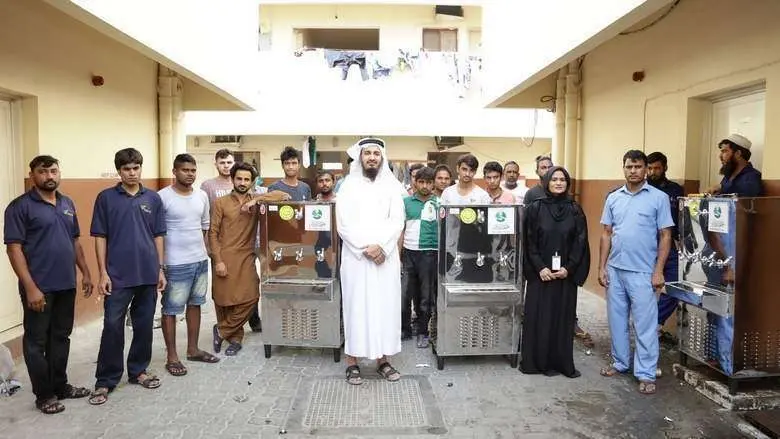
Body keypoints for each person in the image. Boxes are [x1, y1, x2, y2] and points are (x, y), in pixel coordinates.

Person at [4, 155, 94, 414]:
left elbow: (74, 241)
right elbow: (14, 250)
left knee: (61, 337)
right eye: (43, 172)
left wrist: (86, 272)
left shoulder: (66, 203)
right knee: (36, 341)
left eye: (53, 171)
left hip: (66, 284)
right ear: (32, 175)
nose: (49, 176)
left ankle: (60, 385)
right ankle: (44, 395)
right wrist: (30, 287)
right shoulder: (19, 207)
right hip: (39, 287)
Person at [89, 148, 167, 405]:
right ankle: (106, 380)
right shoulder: (106, 198)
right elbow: (100, 237)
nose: (132, 173)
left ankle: (138, 370)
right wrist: (102, 273)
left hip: (147, 274)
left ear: (141, 168)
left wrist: (160, 269)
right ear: (119, 171)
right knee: (112, 327)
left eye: (136, 168)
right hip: (117, 277)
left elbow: (158, 235)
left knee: (144, 326)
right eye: (126, 169)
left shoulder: (153, 199)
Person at [599, 150, 674, 395]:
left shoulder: (659, 198)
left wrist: (658, 270)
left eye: (638, 166)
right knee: (617, 321)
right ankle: (620, 363)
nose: (633, 171)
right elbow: (606, 233)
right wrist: (602, 267)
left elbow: (665, 235)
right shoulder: (613, 198)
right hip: (615, 270)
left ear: (645, 169)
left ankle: (646, 373)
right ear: (623, 168)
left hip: (643, 272)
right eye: (629, 166)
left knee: (645, 324)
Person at [337, 137, 405, 385]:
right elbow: (343, 224)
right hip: (357, 259)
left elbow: (398, 220)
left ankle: (383, 361)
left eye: (377, 153)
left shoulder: (392, 186)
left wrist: (383, 248)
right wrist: (366, 248)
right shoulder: (347, 187)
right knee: (356, 307)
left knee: (385, 308)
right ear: (360, 157)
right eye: (368, 153)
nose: (372, 157)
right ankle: (352, 362)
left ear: (382, 158)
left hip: (385, 259)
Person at [702, 134, 762, 375]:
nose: (721, 155)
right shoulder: (728, 178)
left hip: (732, 250)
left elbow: (743, 215)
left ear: (739, 153)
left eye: (726, 151)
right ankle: (713, 355)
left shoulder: (750, 179)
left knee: (728, 309)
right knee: (713, 305)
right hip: (717, 250)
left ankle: (728, 367)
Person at [520, 166, 590, 378]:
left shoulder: (575, 209)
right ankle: (537, 362)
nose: (559, 183)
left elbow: (580, 242)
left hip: (564, 277)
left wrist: (569, 269)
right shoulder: (535, 208)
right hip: (540, 276)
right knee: (539, 318)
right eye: (554, 179)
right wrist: (540, 267)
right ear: (546, 182)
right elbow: (529, 241)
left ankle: (560, 363)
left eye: (563, 179)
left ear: (568, 183)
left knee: (562, 319)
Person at [158, 154, 220, 377]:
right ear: (174, 171)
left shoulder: (202, 196)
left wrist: (205, 253)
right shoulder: (162, 197)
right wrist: (160, 266)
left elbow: (205, 226)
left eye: (193, 170)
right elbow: (156, 233)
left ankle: (193, 349)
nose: (190, 174)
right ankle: (172, 357)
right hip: (174, 263)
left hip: (199, 261)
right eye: (185, 170)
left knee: (195, 305)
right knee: (171, 309)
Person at [646, 152, 685, 336]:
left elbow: (682, 219)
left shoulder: (675, 190)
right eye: (650, 168)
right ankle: (645, 325)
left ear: (665, 168)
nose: (653, 172)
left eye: (657, 168)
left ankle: (654, 323)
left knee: (676, 285)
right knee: (642, 288)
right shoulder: (641, 190)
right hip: (645, 245)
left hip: (669, 245)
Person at [401, 167, 439, 348]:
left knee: (426, 297)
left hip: (430, 254)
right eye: (421, 182)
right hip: (408, 253)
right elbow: (400, 229)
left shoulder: (439, 204)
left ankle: (423, 332)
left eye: (429, 182)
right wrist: (398, 255)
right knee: (405, 295)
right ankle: (404, 330)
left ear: (433, 184)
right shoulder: (406, 202)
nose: (425, 186)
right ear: (415, 182)